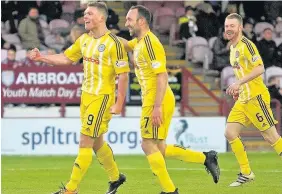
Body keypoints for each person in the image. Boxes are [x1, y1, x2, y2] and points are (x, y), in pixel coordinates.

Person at [29, 2, 129, 194]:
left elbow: (123, 75)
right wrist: (42, 58)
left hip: (101, 99)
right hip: (86, 96)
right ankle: (116, 178)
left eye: (89, 13)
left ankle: (70, 189)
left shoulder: (115, 43)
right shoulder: (84, 39)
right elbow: (67, 58)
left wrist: (119, 103)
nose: (85, 16)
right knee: (97, 142)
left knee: (85, 141)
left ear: (101, 17)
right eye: (84, 13)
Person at [121, 5, 220, 194]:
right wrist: (102, 33)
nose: (126, 23)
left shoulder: (151, 43)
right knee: (160, 148)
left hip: (156, 99)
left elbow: (162, 76)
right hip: (156, 98)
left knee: (147, 143)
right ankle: (206, 158)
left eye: (129, 20)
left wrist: (156, 106)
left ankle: (169, 190)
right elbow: (124, 44)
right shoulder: (140, 42)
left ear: (141, 21)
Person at [224, 13, 282, 187]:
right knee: (230, 132)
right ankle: (246, 173)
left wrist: (239, 83)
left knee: (272, 137)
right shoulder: (232, 48)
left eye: (232, 26)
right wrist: (238, 89)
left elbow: (260, 68)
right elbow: (242, 73)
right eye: (227, 26)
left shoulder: (247, 46)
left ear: (240, 27)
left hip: (256, 97)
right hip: (243, 98)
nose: (228, 29)